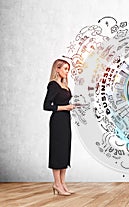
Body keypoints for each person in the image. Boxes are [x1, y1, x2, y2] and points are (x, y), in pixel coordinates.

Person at [43, 59, 75, 196]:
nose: (67, 72)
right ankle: (56, 183)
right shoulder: (53, 85)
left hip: (66, 121)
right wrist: (65, 107)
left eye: (68, 69)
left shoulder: (65, 86)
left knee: (64, 151)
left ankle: (62, 183)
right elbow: (46, 105)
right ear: (57, 69)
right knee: (57, 151)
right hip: (57, 122)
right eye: (65, 69)